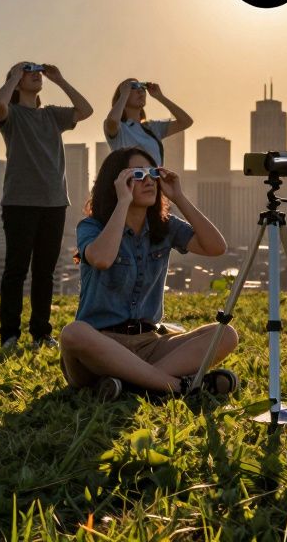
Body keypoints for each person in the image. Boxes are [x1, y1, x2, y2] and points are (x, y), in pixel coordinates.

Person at [59, 147, 237, 400]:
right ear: (118, 183)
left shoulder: (164, 227)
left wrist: (179, 197)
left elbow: (216, 247)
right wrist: (123, 202)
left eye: (153, 173)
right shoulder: (92, 226)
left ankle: (129, 386)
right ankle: (179, 386)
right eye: (138, 174)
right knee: (73, 333)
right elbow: (101, 259)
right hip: (99, 348)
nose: (149, 181)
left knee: (225, 334)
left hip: (149, 344)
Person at [0, 62, 94, 350]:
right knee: (16, 270)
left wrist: (60, 79)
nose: (36, 73)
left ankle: (41, 332)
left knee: (45, 271)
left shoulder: (51, 115)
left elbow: (85, 111)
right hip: (19, 202)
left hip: (54, 202)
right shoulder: (12, 115)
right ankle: (9, 334)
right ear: (15, 78)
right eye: (28, 70)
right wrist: (12, 77)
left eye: (37, 70)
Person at [102, 79, 192, 167]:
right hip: (130, 180)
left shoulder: (151, 127)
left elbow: (186, 122)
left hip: (152, 180)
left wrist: (160, 96)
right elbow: (113, 121)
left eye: (142, 87)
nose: (140, 90)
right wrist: (123, 95)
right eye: (133, 86)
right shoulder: (121, 129)